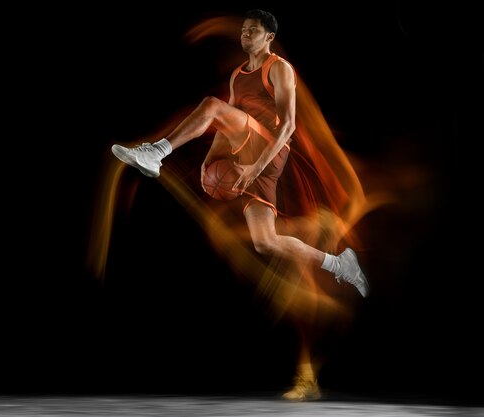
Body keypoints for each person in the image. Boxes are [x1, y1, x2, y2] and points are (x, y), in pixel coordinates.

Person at [111, 9, 369, 400]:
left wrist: (257, 164)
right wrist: (209, 165)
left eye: (254, 31)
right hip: (248, 154)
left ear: (269, 37)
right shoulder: (238, 75)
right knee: (265, 242)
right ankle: (340, 264)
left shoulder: (278, 68)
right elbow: (226, 125)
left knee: (211, 104)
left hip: (268, 150)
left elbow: (289, 125)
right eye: (244, 31)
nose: (245, 36)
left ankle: (157, 152)